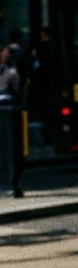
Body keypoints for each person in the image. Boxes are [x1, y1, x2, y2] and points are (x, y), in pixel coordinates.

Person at [0, 45, 21, 198]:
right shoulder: (10, 72)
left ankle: (11, 184)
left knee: (9, 150)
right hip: (7, 112)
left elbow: (15, 89)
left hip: (7, 112)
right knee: (9, 150)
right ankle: (11, 184)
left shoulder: (10, 72)